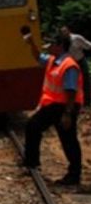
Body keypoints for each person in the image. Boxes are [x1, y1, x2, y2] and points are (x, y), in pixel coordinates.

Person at [21, 32, 83, 185]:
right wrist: (31, 44)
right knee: (33, 127)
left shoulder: (69, 66)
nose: (48, 47)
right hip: (53, 106)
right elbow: (38, 57)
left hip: (65, 107)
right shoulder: (53, 60)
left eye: (52, 44)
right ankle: (32, 163)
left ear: (60, 46)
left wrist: (68, 114)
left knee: (68, 140)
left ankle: (74, 175)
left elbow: (71, 91)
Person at [60, 25, 91, 110]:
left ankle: (87, 103)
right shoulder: (61, 42)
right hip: (70, 64)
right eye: (62, 33)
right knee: (72, 84)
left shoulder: (77, 38)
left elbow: (88, 45)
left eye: (65, 32)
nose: (64, 34)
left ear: (69, 31)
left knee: (85, 81)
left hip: (80, 61)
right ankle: (75, 104)